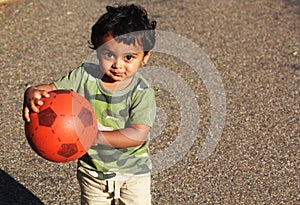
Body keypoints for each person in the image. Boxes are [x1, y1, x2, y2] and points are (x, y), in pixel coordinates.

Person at [23, 4, 157, 205]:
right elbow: (51, 89)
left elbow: (138, 134)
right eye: (109, 55)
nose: (118, 65)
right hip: (92, 171)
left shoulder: (141, 92)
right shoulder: (84, 75)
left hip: (133, 174)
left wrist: (93, 137)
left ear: (145, 57)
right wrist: (31, 92)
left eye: (129, 57)